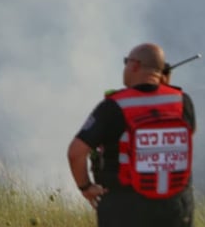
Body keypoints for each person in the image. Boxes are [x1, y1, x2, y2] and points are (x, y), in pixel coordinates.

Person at [67, 43, 196, 227]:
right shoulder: (182, 101)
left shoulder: (113, 106)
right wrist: (164, 84)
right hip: (176, 207)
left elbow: (76, 152)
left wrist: (86, 188)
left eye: (126, 62)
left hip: (124, 207)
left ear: (135, 65)